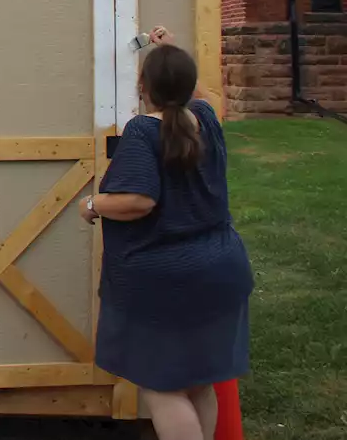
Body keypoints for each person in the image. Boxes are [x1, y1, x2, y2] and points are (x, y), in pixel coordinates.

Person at [81, 27, 253, 440]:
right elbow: (200, 95)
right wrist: (169, 49)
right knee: (199, 382)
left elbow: (138, 201)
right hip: (220, 272)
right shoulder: (206, 120)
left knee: (162, 387)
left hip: (164, 283)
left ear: (143, 87)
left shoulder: (144, 131)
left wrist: (92, 205)